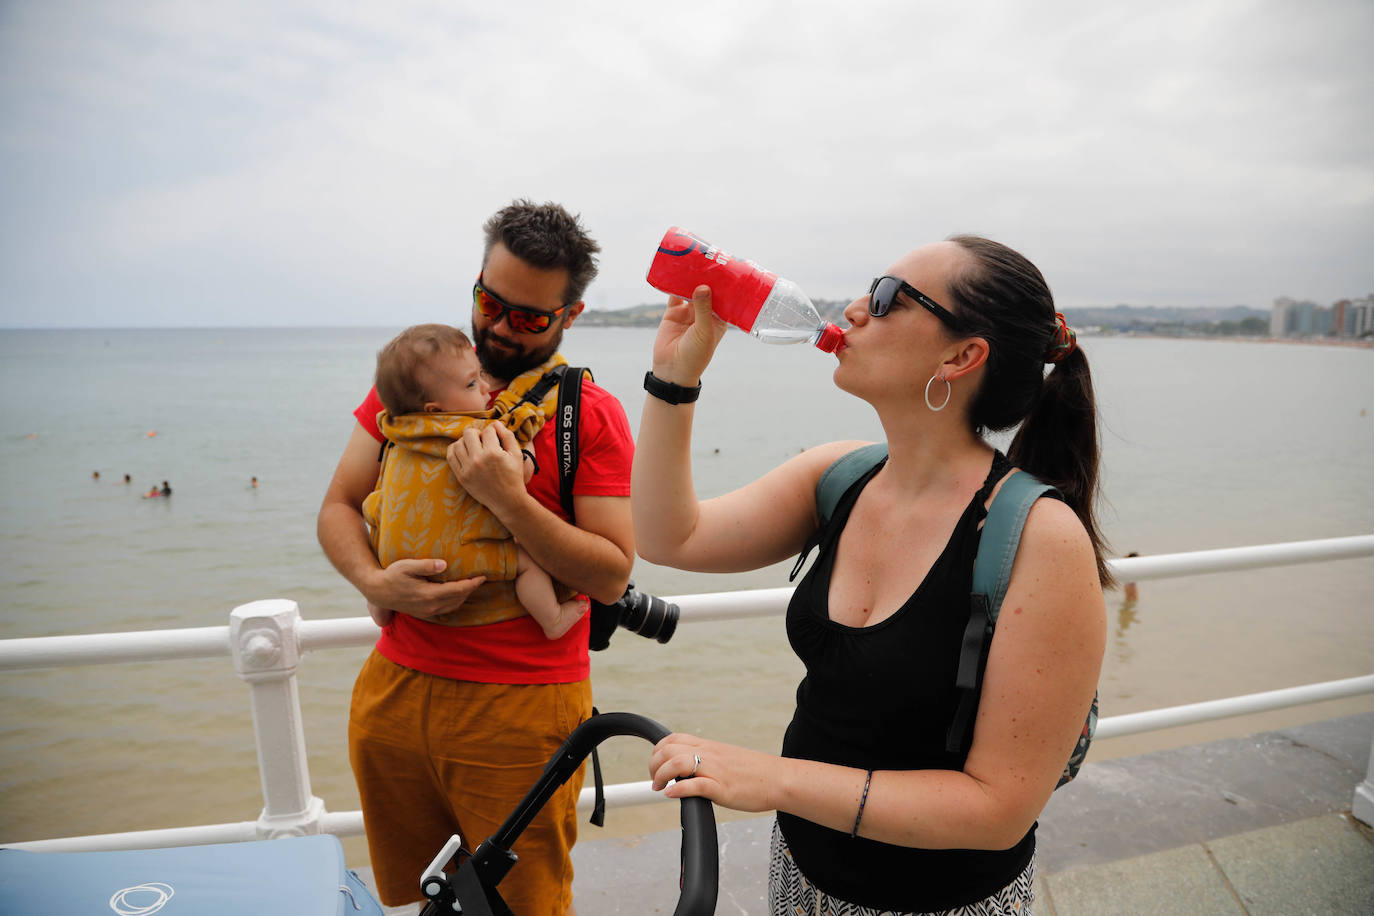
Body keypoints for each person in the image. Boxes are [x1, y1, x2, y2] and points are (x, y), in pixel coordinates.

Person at [636, 235, 1108, 915]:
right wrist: (673, 381)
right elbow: (667, 536)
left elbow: (998, 808)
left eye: (887, 298)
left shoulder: (1039, 537)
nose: (855, 309)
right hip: (801, 873)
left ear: (961, 356)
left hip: (942, 903)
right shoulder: (841, 477)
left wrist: (773, 779)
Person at [317, 200, 634, 914]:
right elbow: (339, 505)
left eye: (527, 317)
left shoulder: (589, 415)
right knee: (416, 901)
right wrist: (375, 582)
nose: (497, 326)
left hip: (522, 713)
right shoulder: (409, 390)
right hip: (394, 695)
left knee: (524, 905)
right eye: (489, 301)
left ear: (569, 316)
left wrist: (510, 501)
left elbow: (613, 573)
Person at [363, 323, 590, 640]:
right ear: (436, 409)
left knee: (378, 515)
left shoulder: (398, 438)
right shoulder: (478, 433)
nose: (486, 388)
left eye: (480, 375)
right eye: (472, 384)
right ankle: (552, 619)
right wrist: (526, 448)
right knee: (527, 564)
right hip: (459, 561)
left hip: (397, 561)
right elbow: (518, 475)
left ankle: (378, 608)